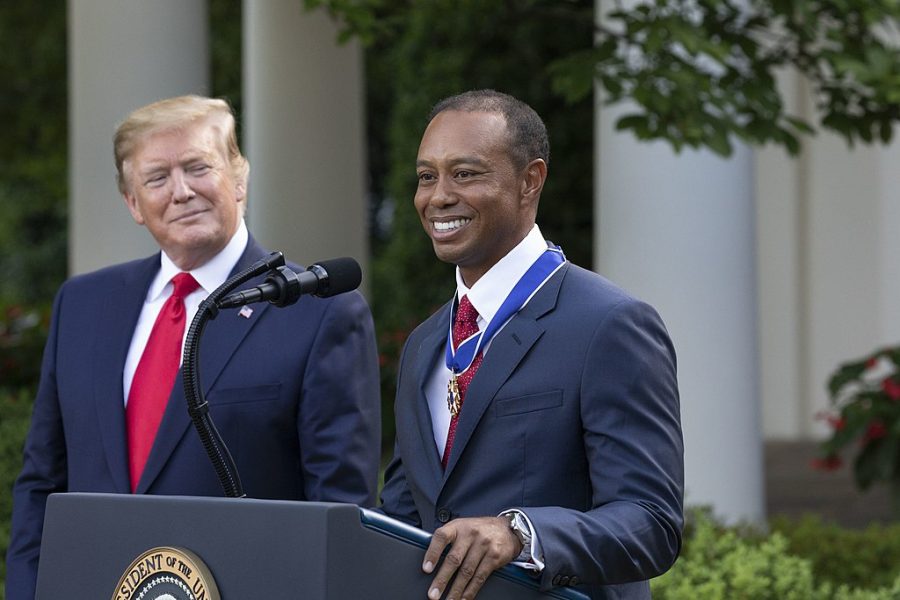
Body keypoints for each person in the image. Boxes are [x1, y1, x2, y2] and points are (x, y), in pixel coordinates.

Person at [6, 95, 381, 599]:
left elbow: (341, 510)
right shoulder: (83, 304)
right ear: (133, 203)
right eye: (157, 178)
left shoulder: (318, 312)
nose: (181, 192)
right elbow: (41, 484)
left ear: (240, 179)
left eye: (198, 167)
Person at [379, 90, 684, 600]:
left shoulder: (610, 324)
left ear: (530, 180)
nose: (438, 196)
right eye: (427, 176)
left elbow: (651, 523)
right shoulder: (424, 345)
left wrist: (520, 534)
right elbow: (402, 520)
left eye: (466, 173)